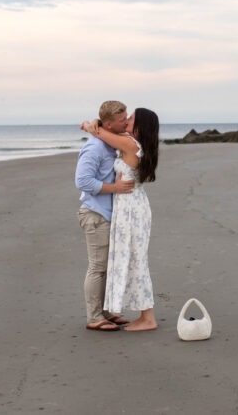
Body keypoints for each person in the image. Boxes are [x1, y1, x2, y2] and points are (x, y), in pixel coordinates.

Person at [81, 107, 160, 332]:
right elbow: (105, 129)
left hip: (131, 209)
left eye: (131, 118)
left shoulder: (131, 145)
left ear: (139, 126)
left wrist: (89, 124)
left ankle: (148, 318)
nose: (126, 120)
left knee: (137, 261)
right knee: (133, 259)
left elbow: (99, 133)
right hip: (130, 206)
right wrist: (98, 120)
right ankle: (136, 313)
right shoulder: (131, 141)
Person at [75, 101, 136, 331]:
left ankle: (108, 311)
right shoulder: (95, 148)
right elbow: (82, 181)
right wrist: (116, 189)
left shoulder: (110, 144)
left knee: (109, 266)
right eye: (122, 120)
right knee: (97, 267)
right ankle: (94, 317)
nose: (126, 122)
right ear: (109, 124)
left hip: (109, 215)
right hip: (95, 214)